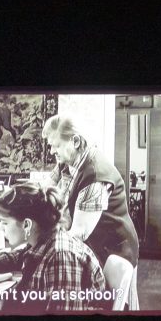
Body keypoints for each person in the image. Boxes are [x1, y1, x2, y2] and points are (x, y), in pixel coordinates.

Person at [0, 182, 106, 312]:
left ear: (27, 225)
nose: (1, 229)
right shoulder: (43, 240)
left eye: (4, 223)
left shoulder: (61, 256)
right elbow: (19, 257)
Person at [42, 114, 140, 271]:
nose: (52, 151)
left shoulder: (95, 175)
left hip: (113, 253)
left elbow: (79, 233)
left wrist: (43, 247)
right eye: (50, 145)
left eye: (57, 146)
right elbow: (43, 190)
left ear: (76, 141)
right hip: (94, 246)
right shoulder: (67, 160)